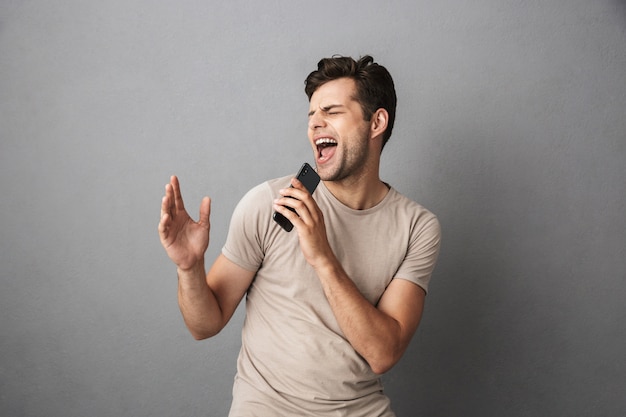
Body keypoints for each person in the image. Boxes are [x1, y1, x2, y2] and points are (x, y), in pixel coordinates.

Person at [158, 55, 441, 416]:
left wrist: (323, 257)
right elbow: (204, 325)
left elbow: (383, 353)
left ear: (377, 122)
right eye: (311, 115)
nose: (315, 124)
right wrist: (189, 266)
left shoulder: (417, 227)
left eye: (332, 111)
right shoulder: (268, 204)